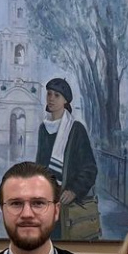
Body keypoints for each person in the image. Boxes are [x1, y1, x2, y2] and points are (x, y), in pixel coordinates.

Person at [35, 77, 100, 242]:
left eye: (56, 95)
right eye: (49, 94)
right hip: (47, 200)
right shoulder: (43, 128)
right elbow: (39, 164)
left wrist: (74, 191)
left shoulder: (76, 129)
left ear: (65, 100)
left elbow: (90, 168)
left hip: (68, 202)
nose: (51, 98)